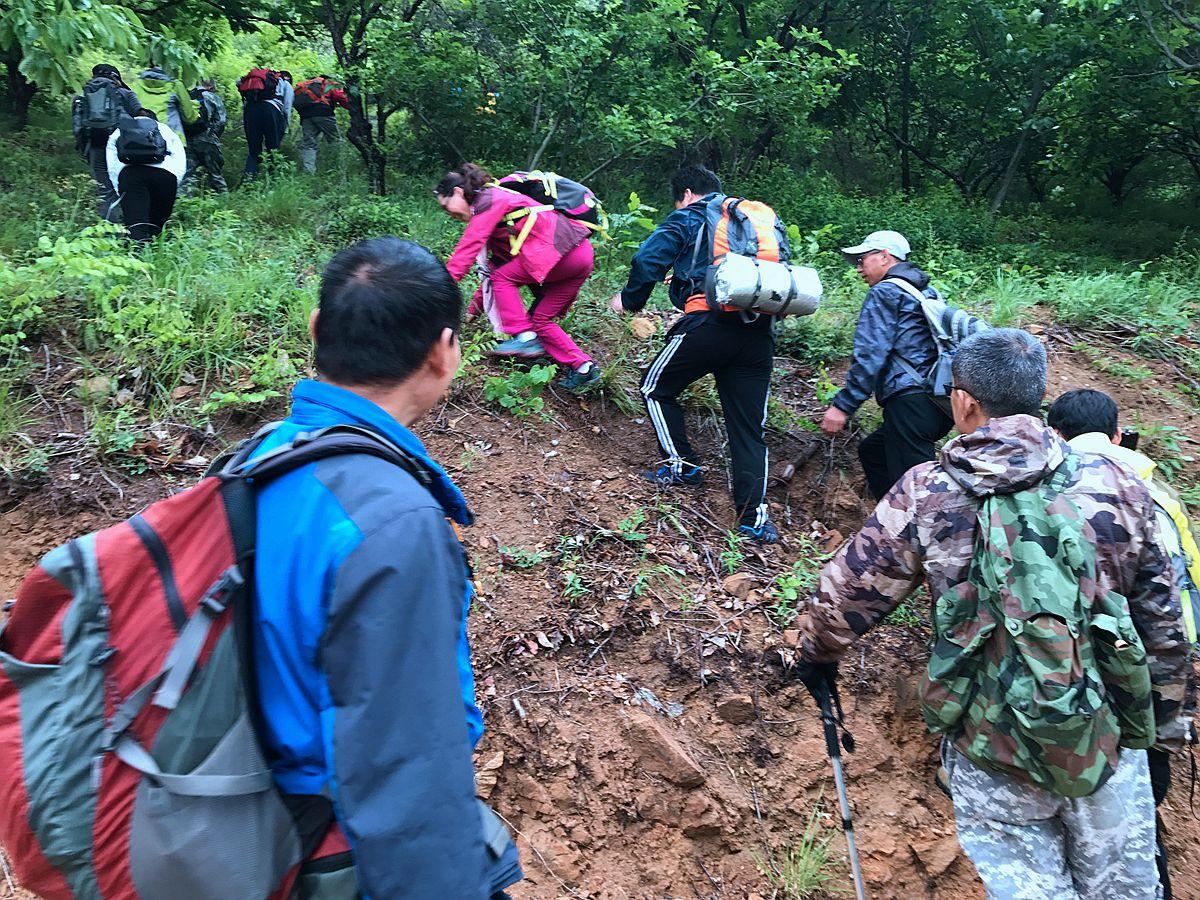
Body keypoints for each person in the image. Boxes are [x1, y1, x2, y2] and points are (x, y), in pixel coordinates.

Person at [795, 329, 1194, 899]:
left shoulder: (930, 490)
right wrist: (1164, 730)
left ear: (964, 401)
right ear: (1039, 398)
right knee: (1123, 888)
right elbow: (1162, 622)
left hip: (993, 742)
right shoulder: (1118, 484)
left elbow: (847, 598)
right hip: (1102, 736)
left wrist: (816, 654)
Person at [245, 237, 522, 898]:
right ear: (443, 352)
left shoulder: (258, 460)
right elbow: (406, 768)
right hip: (332, 850)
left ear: (316, 330)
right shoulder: (394, 523)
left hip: (244, 825)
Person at [1048, 387, 1200, 899]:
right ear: (1116, 434)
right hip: (1156, 687)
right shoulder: (1156, 490)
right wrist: (1171, 721)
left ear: (1054, 433)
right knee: (1135, 833)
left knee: (1087, 835)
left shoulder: (1050, 486)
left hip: (1083, 690)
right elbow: (1179, 606)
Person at [609, 164, 780, 544]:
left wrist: (631, 300)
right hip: (758, 335)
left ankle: (682, 466)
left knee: (655, 388)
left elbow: (647, 260)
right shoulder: (752, 221)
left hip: (708, 325)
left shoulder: (689, 216)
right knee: (749, 429)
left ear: (686, 193)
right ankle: (754, 520)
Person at [437, 163, 599, 393]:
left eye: (446, 206)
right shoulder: (503, 214)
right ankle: (584, 368)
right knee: (541, 320)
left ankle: (524, 335)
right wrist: (473, 311)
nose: (449, 214)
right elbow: (493, 266)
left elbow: (467, 251)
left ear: (459, 192)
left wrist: (438, 288)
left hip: (560, 254)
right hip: (578, 256)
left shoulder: (490, 199)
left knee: (502, 279)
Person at [820, 230, 954, 500]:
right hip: (940, 401)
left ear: (884, 256)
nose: (859, 268)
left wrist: (843, 406)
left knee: (917, 490)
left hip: (911, 400)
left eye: (862, 260)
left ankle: (918, 536)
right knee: (873, 452)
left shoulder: (885, 292)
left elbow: (870, 354)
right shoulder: (925, 292)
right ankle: (887, 522)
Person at [71, 63, 140, 223]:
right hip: (124, 148)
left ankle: (109, 232)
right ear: (116, 77)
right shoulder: (126, 94)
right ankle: (132, 226)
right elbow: (141, 117)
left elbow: (78, 128)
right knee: (128, 186)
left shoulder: (84, 97)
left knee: (105, 190)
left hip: (96, 145)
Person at [106, 109, 186, 243]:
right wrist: (174, 181)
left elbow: (112, 163)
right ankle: (157, 254)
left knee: (136, 225)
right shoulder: (165, 129)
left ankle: (137, 257)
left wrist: (119, 186)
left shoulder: (121, 131)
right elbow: (180, 159)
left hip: (130, 175)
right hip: (165, 176)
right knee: (157, 224)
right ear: (154, 120)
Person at [180, 77, 228, 194]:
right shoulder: (213, 97)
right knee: (215, 175)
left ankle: (184, 204)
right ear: (211, 87)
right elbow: (221, 121)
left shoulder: (187, 96)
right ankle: (224, 201)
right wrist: (213, 135)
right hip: (207, 139)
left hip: (188, 139)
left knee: (187, 176)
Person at [294, 74, 349, 173]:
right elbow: (341, 97)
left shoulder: (306, 85)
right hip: (324, 113)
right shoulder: (329, 84)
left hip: (306, 116)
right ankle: (337, 168)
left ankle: (308, 171)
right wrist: (352, 108)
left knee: (309, 144)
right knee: (335, 140)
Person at [130, 64, 197, 141]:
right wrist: (196, 107)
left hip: (141, 137)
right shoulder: (175, 85)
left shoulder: (137, 85)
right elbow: (189, 117)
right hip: (171, 139)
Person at [239, 68, 285, 179]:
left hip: (250, 110)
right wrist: (284, 125)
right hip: (272, 110)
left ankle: (249, 182)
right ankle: (274, 180)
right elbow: (286, 105)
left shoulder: (249, 83)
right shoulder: (281, 81)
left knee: (254, 150)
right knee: (273, 148)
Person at [275, 70, 295, 140]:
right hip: (275, 113)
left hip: (253, 110)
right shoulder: (286, 84)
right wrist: (286, 125)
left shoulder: (268, 83)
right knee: (274, 143)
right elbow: (287, 106)